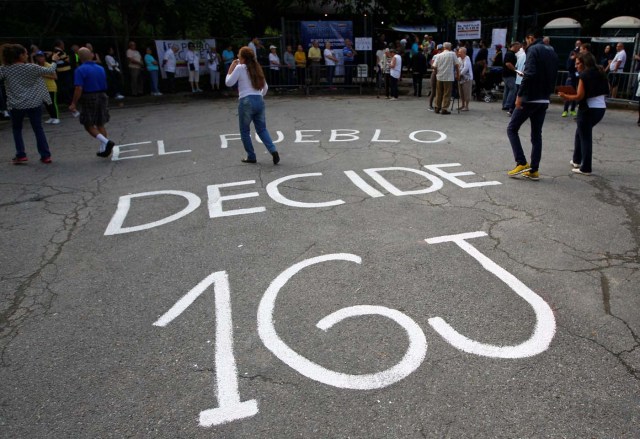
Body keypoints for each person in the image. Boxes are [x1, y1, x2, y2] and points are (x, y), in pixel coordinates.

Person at [506, 27, 558, 181]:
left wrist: (520, 95)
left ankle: (521, 162)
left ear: (530, 38)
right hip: (544, 97)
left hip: (530, 97)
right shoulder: (552, 51)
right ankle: (534, 169)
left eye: (526, 41)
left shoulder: (533, 50)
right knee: (536, 135)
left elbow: (529, 73)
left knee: (512, 128)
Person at [0, 44, 56, 164]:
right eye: (25, 53)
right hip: (34, 102)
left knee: (17, 129)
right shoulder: (31, 67)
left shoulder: (5, 69)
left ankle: (21, 154)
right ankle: (45, 155)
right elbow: (50, 70)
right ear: (20, 55)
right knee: (38, 129)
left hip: (15, 104)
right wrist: (54, 61)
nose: (27, 55)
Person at [224, 46, 279, 165]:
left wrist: (231, 68)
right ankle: (273, 150)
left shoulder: (239, 67)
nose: (238, 57)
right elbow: (265, 88)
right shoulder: (257, 67)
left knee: (244, 130)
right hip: (259, 99)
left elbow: (228, 82)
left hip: (246, 100)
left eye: (239, 55)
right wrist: (259, 96)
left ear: (243, 58)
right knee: (262, 129)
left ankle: (251, 156)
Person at [558, 52, 609, 175]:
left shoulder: (584, 75)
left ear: (584, 63)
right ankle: (577, 159)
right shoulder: (600, 72)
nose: (576, 66)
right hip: (600, 108)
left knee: (585, 137)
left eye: (578, 63)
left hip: (588, 109)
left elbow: (579, 95)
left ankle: (585, 167)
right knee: (580, 133)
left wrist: (566, 96)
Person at [69, 47, 115, 158]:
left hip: (89, 96)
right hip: (102, 95)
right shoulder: (100, 68)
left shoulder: (80, 70)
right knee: (100, 123)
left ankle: (106, 142)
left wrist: (74, 102)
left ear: (79, 57)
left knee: (88, 124)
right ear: (91, 55)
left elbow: (79, 87)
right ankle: (103, 148)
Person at [432, 42, 460, 114]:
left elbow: (434, 66)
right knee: (447, 93)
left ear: (444, 47)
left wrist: (436, 72)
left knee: (439, 92)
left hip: (440, 76)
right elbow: (457, 65)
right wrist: (458, 74)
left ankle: (437, 107)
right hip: (448, 77)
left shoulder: (439, 55)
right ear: (450, 47)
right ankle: (444, 108)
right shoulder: (452, 54)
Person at [34, 51, 60, 124]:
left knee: (52, 103)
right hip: (42, 88)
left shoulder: (48, 65)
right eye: (38, 56)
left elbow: (55, 77)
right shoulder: (36, 66)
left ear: (44, 57)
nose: (39, 58)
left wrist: (43, 75)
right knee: (47, 104)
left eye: (41, 56)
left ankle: (56, 117)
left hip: (51, 87)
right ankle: (52, 117)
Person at [52, 40, 73, 105]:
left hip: (61, 71)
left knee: (64, 86)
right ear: (60, 45)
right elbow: (67, 60)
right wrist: (68, 59)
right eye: (62, 44)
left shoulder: (56, 51)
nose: (63, 45)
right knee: (67, 86)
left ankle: (67, 100)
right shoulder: (59, 52)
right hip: (64, 71)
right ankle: (69, 101)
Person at [501, 42, 518, 113]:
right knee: (513, 89)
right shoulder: (510, 54)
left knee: (507, 89)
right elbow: (508, 63)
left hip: (507, 74)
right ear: (515, 46)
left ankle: (505, 104)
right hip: (509, 74)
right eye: (518, 48)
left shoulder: (510, 54)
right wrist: (515, 70)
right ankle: (508, 105)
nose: (519, 49)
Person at [458, 47, 473, 111]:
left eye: (460, 52)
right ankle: (463, 105)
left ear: (464, 53)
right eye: (458, 52)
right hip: (460, 78)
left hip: (467, 79)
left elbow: (466, 68)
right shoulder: (458, 59)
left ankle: (466, 106)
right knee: (461, 92)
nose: (459, 53)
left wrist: (460, 74)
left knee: (466, 92)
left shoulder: (467, 58)